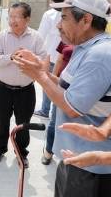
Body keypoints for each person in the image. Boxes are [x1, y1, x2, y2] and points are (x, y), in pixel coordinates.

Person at [13, 0, 111, 197]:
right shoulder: (85, 48)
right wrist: (45, 74)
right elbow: (70, 87)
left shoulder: (100, 55)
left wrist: (40, 76)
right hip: (74, 155)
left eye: (64, 18)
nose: (58, 25)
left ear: (86, 20)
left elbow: (73, 106)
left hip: (89, 164)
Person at [0, 2, 47, 165]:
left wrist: (31, 60)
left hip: (25, 90)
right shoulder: (2, 36)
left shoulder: (35, 37)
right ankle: (0, 149)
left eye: (16, 17)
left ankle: (21, 152)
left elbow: (43, 60)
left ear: (27, 19)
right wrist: (11, 57)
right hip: (3, 88)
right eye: (10, 16)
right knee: (2, 120)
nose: (12, 20)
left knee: (23, 123)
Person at [42, 37, 75, 165]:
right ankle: (48, 151)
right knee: (54, 121)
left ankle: (69, 155)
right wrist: (52, 79)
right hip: (61, 84)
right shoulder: (67, 38)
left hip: (78, 87)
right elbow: (59, 59)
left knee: (72, 124)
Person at [35, 0, 66, 118]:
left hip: (51, 54)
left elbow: (41, 33)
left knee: (47, 81)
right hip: (65, 54)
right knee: (61, 84)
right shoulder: (67, 13)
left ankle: (45, 109)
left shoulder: (49, 14)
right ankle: (56, 111)